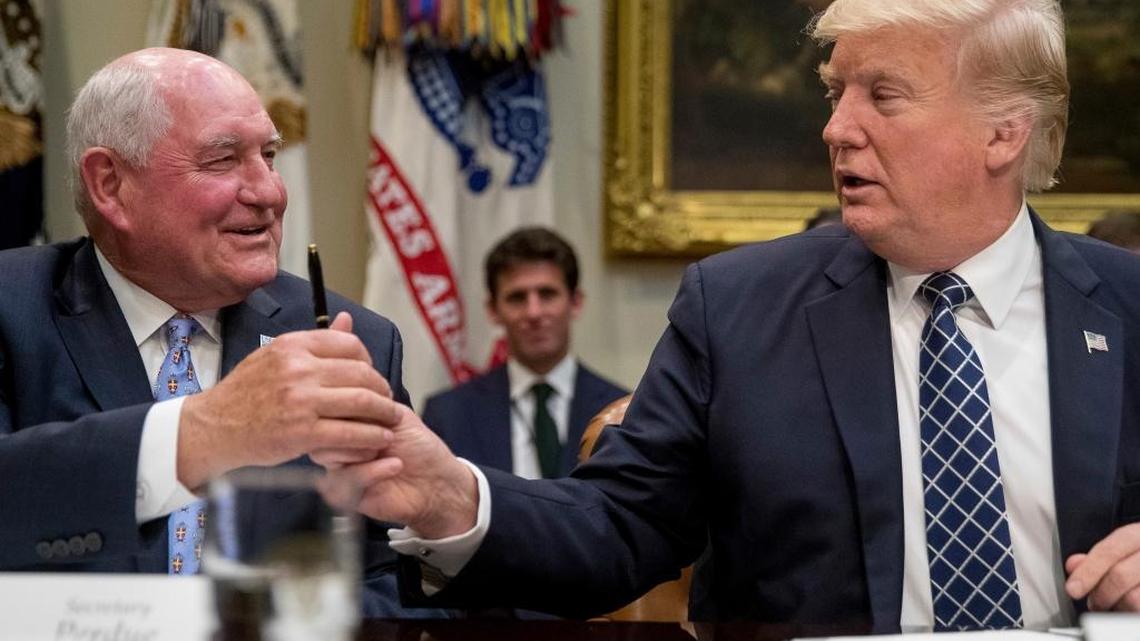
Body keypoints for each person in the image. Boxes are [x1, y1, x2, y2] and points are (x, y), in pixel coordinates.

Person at [322, 0, 1140, 632]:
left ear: (1004, 132)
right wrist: (448, 496)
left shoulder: (1127, 307)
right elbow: (615, 526)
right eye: (835, 92)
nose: (836, 128)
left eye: (882, 95)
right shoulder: (740, 308)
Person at [0, 48, 404, 582]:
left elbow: (391, 582)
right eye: (223, 160)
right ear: (109, 185)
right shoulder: (13, 307)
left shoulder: (351, 338)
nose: (270, 192)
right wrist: (201, 433)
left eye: (270, 156)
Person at [421, 227, 627, 479]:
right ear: (493, 310)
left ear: (575, 302)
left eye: (547, 294)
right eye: (517, 298)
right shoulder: (449, 414)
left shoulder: (622, 412)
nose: (534, 313)